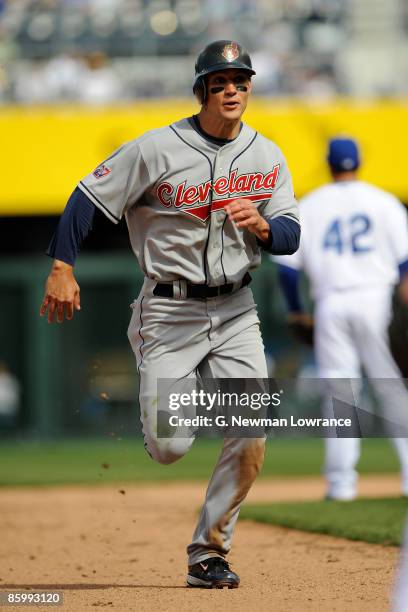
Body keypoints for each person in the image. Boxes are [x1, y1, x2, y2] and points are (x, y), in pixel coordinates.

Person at [40, 40, 300, 588]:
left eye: (240, 80)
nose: (232, 89)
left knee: (252, 429)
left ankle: (208, 554)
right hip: (169, 310)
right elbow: (85, 198)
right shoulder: (157, 148)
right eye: (220, 80)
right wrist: (62, 267)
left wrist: (263, 227)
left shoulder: (266, 154)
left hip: (236, 306)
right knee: (169, 446)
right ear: (202, 88)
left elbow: (291, 234)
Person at [274, 137, 408, 501]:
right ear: (359, 162)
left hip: (331, 303)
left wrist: (297, 309)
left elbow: (287, 269)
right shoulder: (384, 201)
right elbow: (405, 265)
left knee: (340, 393)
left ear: (329, 164)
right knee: (393, 386)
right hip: (377, 299)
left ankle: (341, 484)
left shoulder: (311, 204)